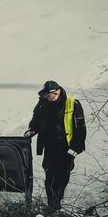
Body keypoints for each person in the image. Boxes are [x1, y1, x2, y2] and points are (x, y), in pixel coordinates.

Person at [24, 81, 86, 209]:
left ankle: (57, 201)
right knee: (50, 177)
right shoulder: (43, 102)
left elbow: (81, 130)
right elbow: (36, 119)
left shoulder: (73, 103)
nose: (45, 98)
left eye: (47, 96)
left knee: (62, 177)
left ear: (56, 93)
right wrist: (32, 130)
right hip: (49, 147)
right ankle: (53, 206)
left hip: (67, 148)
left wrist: (73, 151)